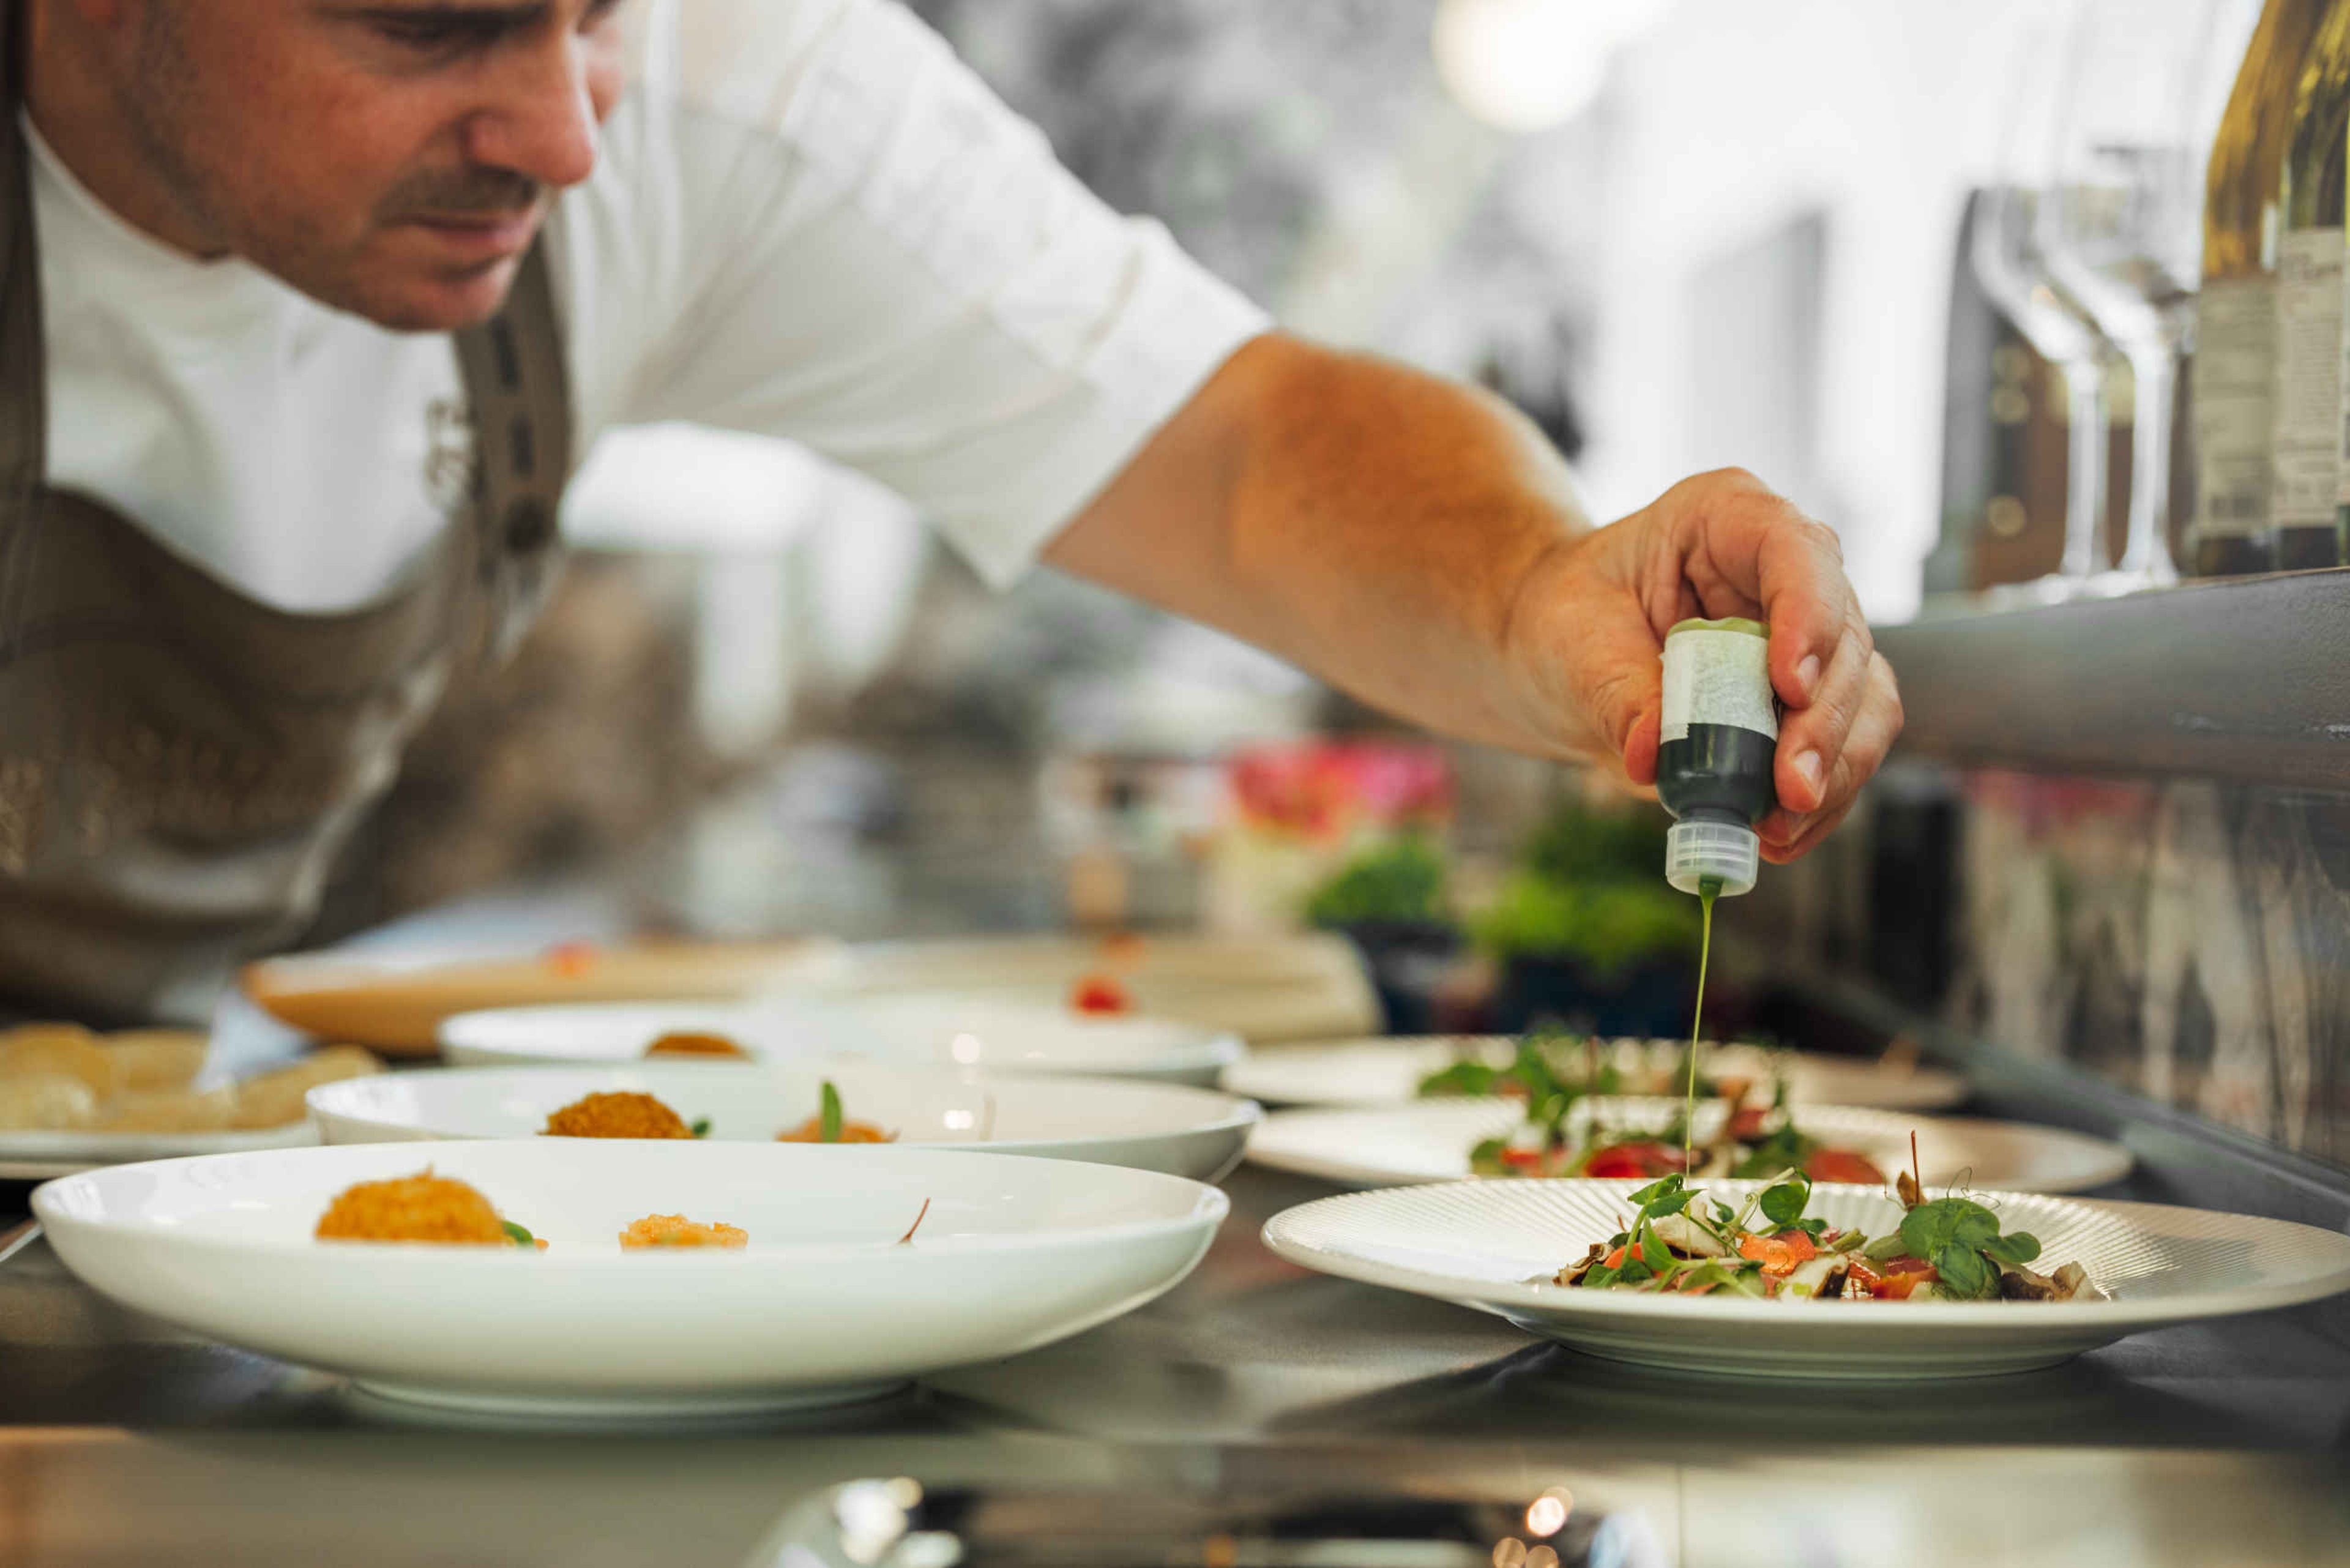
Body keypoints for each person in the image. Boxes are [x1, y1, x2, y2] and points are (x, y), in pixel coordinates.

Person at [0, 0, 1899, 1023]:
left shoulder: (721, 96)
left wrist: (1529, 593)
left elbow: (1238, 444)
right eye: (432, 24)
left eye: (590, 13)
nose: (568, 137)